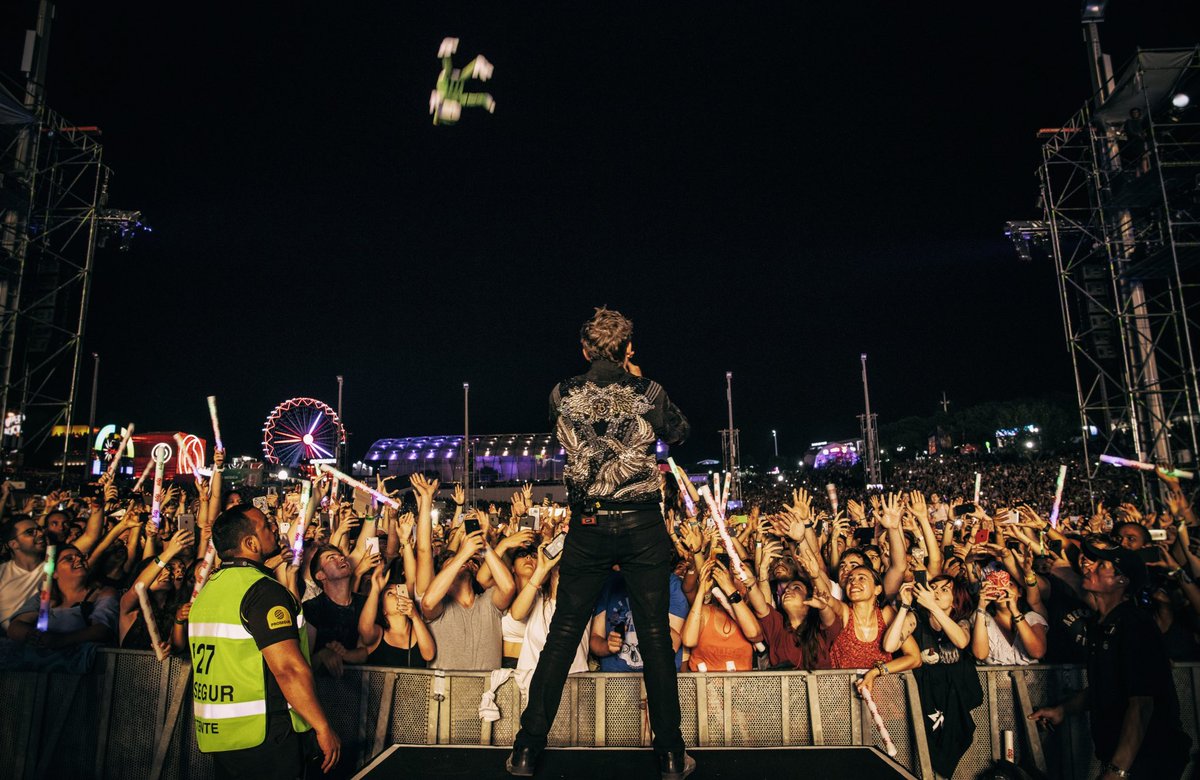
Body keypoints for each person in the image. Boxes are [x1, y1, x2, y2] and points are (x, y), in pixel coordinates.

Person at [509, 307, 694, 780]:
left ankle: (527, 749)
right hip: (641, 525)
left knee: (564, 633)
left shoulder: (563, 392)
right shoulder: (647, 392)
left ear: (585, 350)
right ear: (628, 348)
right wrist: (637, 378)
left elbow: (561, 429)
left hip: (588, 526)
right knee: (654, 637)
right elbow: (679, 433)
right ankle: (671, 755)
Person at [189, 504, 340, 778]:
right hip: (268, 736)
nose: (274, 530)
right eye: (266, 527)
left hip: (224, 737)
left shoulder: (209, 590)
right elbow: (288, 669)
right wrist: (322, 726)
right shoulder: (263, 591)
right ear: (250, 543)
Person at [1030, 539, 1191, 779]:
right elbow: (1107, 687)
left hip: (1150, 760)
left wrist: (1118, 771)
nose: (1089, 567)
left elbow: (1141, 704)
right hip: (1127, 758)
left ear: (1121, 580)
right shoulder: (1102, 624)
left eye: (1101, 566)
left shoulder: (1134, 625)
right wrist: (1063, 710)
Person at [0, 516, 47, 635]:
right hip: (11, 644)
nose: (41, 534)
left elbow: (90, 537)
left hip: (48, 640)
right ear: (14, 544)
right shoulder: (2, 573)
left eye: (40, 529)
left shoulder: (55, 566)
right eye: (30, 532)